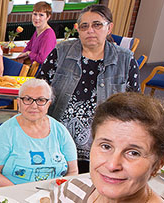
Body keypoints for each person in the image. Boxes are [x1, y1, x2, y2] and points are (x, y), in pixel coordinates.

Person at [36, 4, 140, 173]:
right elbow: (38, 89)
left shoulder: (125, 60)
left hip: (104, 146)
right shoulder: (61, 52)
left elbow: (135, 106)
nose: (90, 30)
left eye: (97, 25)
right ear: (78, 30)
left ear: (109, 28)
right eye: (84, 26)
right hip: (58, 142)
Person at [51, 92, 164, 202]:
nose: (112, 165)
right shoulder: (68, 193)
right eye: (106, 146)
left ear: (160, 163)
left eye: (133, 153)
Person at [0, 79, 78, 187]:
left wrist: (59, 193)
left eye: (41, 100)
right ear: (19, 103)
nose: (34, 106)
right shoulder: (6, 131)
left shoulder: (60, 130)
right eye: (27, 99)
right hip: (14, 196)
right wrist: (19, 195)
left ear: (48, 104)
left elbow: (73, 171)